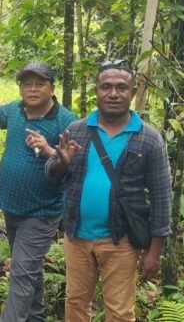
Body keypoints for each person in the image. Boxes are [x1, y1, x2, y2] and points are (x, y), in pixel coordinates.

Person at [44, 59, 173, 321]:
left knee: (119, 311)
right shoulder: (76, 130)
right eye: (106, 87)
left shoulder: (149, 138)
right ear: (97, 91)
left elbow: (161, 196)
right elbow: (51, 173)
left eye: (121, 87)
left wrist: (154, 251)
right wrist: (61, 163)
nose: (113, 93)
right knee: (76, 302)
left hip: (121, 240)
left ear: (132, 92)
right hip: (77, 236)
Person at [0, 62, 77, 321]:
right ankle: (36, 317)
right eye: (27, 84)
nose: (32, 89)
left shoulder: (67, 122)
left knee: (21, 270)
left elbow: (76, 167)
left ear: (52, 88)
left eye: (39, 84)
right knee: (28, 269)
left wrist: (50, 150)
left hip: (42, 211)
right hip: (11, 205)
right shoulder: (14, 110)